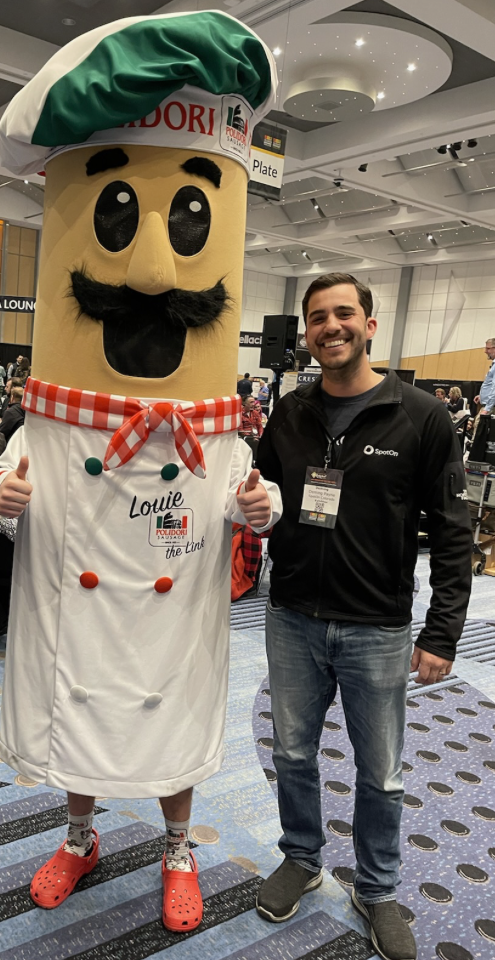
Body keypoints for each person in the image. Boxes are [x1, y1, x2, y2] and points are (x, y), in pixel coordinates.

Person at [0, 8, 280, 934]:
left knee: (172, 716)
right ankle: (78, 837)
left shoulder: (223, 431)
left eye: (193, 217)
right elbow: (1, 484)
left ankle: (179, 848)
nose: (154, 269)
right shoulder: (47, 418)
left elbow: (250, 512)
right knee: (83, 706)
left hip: (171, 622)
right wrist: (3, 492)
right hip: (82, 614)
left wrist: (260, 508)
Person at [254, 273, 472, 960]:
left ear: (370, 325)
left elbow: (455, 531)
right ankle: (301, 857)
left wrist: (441, 633)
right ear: (308, 332)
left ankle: (376, 889)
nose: (330, 327)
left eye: (343, 313)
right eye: (317, 317)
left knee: (382, 773)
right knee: (292, 752)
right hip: (291, 614)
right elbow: (257, 497)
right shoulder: (288, 413)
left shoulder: (422, 417)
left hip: (377, 626)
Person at [0, 384, 24, 453]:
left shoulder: (11, 411)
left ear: (12, 397)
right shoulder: (26, 410)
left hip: (11, 445)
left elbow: (1, 432)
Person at [473, 337, 495, 414]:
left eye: (488, 348)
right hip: (489, 406)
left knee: (478, 425)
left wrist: (487, 408)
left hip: (490, 408)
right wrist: (482, 396)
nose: (485, 351)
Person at [239, 395, 263, 465]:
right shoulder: (240, 414)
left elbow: (259, 426)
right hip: (246, 437)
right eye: (251, 402)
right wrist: (252, 437)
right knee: (254, 443)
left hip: (256, 436)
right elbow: (241, 430)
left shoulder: (255, 413)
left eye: (254, 402)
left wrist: (260, 435)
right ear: (245, 404)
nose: (253, 404)